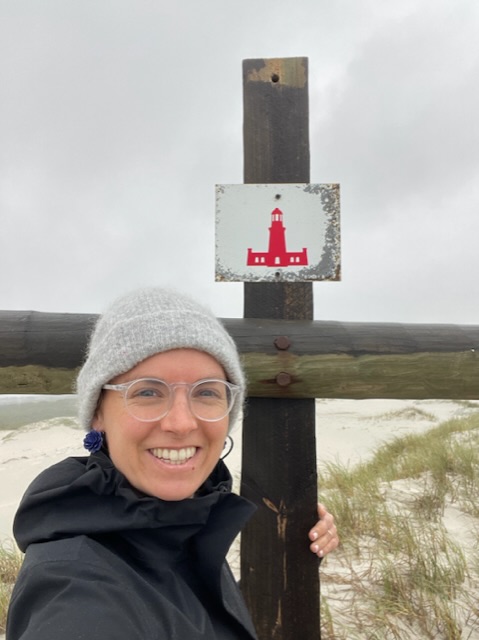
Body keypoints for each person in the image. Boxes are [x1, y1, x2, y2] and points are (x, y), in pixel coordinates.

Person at [6, 287, 338, 640]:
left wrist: (295, 542)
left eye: (207, 391)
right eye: (147, 391)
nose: (181, 423)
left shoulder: (186, 520)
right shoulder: (75, 595)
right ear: (98, 413)